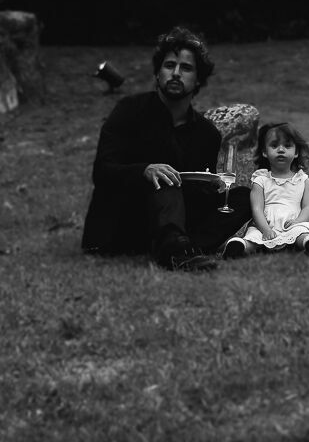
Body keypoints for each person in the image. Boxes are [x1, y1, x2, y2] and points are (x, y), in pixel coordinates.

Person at [81, 26, 251, 271]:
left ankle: (185, 248)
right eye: (169, 66)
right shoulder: (129, 110)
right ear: (157, 75)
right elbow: (102, 172)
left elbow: (198, 196)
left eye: (186, 68)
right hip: (125, 221)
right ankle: (177, 251)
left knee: (245, 196)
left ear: (198, 81)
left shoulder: (207, 133)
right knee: (165, 179)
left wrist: (211, 186)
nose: (176, 73)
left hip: (176, 219)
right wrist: (145, 171)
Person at [223, 121, 309, 258]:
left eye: (287, 146)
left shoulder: (302, 179)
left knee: (300, 232)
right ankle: (239, 246)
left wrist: (298, 221)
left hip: (293, 221)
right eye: (274, 146)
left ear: (296, 152)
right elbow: (256, 208)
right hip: (266, 223)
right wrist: (266, 229)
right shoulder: (261, 180)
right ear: (264, 152)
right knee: (255, 237)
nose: (281, 149)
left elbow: (308, 206)